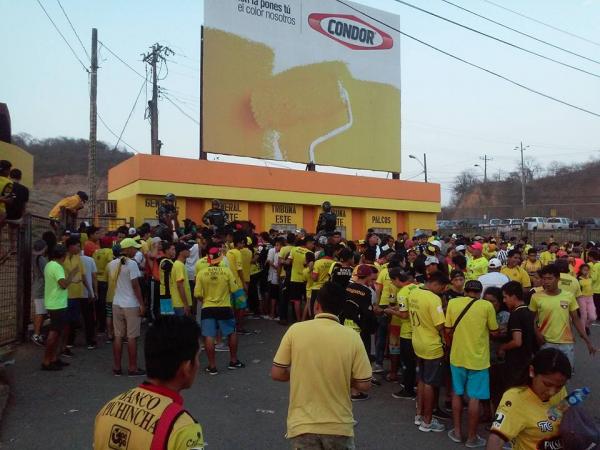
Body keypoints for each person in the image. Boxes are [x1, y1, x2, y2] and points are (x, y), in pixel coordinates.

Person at [271, 282, 372, 449]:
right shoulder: (352, 336)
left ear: (317, 305)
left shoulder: (295, 330)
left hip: (302, 425)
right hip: (339, 425)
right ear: (341, 309)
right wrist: (343, 377)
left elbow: (277, 373)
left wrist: (301, 372)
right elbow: (365, 384)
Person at [94, 316, 205, 450]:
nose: (198, 364)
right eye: (198, 357)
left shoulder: (107, 410)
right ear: (186, 367)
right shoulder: (183, 429)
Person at [445, 280, 498, 448]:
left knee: (457, 393)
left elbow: (448, 329)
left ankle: (458, 432)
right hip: (479, 360)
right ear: (480, 292)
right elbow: (494, 331)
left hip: (457, 356)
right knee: (475, 397)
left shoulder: (453, 303)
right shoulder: (486, 306)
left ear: (465, 291)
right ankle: (472, 437)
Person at [487, 348, 572, 450]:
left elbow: (567, 417)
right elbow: (496, 439)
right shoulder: (515, 398)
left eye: (559, 386)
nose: (552, 392)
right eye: (547, 384)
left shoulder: (560, 391)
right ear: (532, 371)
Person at [530, 264, 596, 368]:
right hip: (546, 343)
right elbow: (531, 319)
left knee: (565, 375)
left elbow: (576, 320)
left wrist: (588, 341)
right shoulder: (536, 297)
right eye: (544, 279)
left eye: (550, 278)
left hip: (566, 344)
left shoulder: (568, 296)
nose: (546, 282)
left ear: (558, 279)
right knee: (547, 374)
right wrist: (537, 334)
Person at [407, 270, 449, 433]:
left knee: (423, 380)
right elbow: (440, 325)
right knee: (430, 383)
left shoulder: (414, 292)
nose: (443, 291)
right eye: (443, 287)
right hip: (432, 345)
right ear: (436, 284)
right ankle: (427, 421)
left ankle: (419, 415)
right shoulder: (434, 299)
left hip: (417, 341)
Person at [194, 246, 245, 375]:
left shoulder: (201, 273)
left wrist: (206, 300)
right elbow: (234, 289)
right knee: (231, 332)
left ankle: (212, 366)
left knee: (209, 336)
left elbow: (197, 294)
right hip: (224, 306)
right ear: (219, 258)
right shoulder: (226, 271)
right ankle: (233, 361)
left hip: (208, 307)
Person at [106, 238, 146, 376]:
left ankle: (117, 367)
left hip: (117, 303)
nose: (136, 250)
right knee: (131, 337)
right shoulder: (132, 264)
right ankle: (132, 368)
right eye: (134, 248)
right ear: (128, 249)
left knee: (118, 336)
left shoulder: (111, 264)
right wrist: (142, 304)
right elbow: (135, 286)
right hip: (131, 304)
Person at [341, 264, 378, 401]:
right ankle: (355, 391)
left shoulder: (347, 286)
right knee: (358, 360)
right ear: (368, 276)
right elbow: (367, 312)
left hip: (345, 326)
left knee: (347, 359)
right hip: (360, 328)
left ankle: (346, 388)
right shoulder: (366, 291)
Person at [41, 245, 79, 370]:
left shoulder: (49, 265)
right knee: (54, 333)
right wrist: (72, 275)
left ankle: (54, 358)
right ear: (63, 256)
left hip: (55, 302)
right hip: (56, 303)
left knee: (57, 332)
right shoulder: (57, 267)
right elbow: (63, 284)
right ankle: (47, 361)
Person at [499, 281, 537, 391]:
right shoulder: (528, 311)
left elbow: (517, 341)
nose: (504, 301)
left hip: (516, 361)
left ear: (514, 297)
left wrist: (502, 347)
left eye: (505, 297)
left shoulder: (516, 314)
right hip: (527, 358)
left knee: (513, 390)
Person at [63, 236, 93, 355]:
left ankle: (71, 342)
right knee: (69, 321)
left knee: (76, 319)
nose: (79, 248)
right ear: (70, 246)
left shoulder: (78, 258)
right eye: (77, 245)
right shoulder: (62, 258)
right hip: (66, 294)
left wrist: (89, 290)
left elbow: (83, 275)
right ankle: (67, 343)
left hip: (79, 293)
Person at [288, 236, 315, 322]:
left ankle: (299, 320)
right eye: (312, 244)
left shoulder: (294, 249)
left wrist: (282, 261)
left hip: (295, 278)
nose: (313, 246)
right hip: (306, 280)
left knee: (297, 301)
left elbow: (289, 262)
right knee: (307, 300)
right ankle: (307, 319)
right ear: (308, 243)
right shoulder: (310, 253)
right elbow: (311, 266)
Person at [93, 236, 114, 338]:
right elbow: (111, 263)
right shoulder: (109, 251)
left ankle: (99, 326)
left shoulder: (96, 252)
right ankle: (105, 326)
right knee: (105, 304)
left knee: (98, 304)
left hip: (96, 280)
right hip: (105, 281)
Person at [31, 240, 48, 346]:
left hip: (38, 286)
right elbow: (46, 273)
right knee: (40, 312)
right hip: (40, 288)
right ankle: (36, 334)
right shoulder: (41, 259)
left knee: (41, 312)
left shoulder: (34, 257)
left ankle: (38, 333)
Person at [170, 242, 192, 317]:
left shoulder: (179, 264)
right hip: (180, 304)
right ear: (180, 252)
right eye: (187, 249)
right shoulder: (179, 265)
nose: (189, 251)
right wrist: (185, 304)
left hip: (179, 303)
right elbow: (180, 286)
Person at [577, 264, 597, 332]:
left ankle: (587, 326)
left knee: (593, 317)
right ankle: (583, 332)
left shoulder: (591, 277)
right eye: (584, 270)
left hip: (590, 297)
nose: (586, 271)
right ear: (581, 270)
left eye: (587, 270)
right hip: (581, 298)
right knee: (584, 315)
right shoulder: (578, 279)